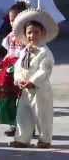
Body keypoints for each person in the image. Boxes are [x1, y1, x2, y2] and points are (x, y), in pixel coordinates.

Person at [8, 9, 58, 148]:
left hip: (40, 90)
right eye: (29, 32)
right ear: (25, 34)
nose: (32, 35)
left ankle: (44, 139)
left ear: (43, 33)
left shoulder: (45, 52)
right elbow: (18, 67)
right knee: (23, 114)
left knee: (42, 116)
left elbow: (45, 70)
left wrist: (32, 81)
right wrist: (18, 79)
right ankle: (22, 138)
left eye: (36, 32)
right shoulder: (25, 51)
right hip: (25, 89)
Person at [0, 1, 28, 136]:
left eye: (16, 20)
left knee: (23, 100)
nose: (13, 24)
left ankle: (27, 126)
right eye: (11, 20)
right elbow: (8, 53)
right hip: (11, 71)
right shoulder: (10, 37)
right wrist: (2, 66)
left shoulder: (29, 36)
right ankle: (13, 124)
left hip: (24, 71)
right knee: (9, 97)